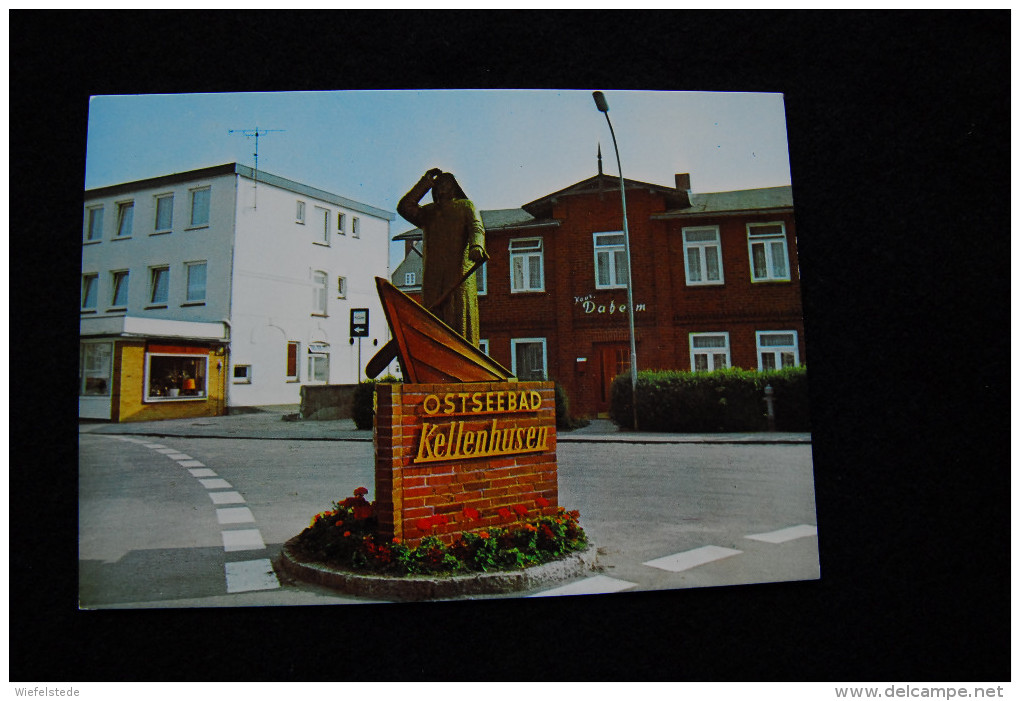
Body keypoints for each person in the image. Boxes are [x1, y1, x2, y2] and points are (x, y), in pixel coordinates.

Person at [397, 168, 487, 346]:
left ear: (454, 187)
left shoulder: (465, 206)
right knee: (433, 317)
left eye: (445, 182)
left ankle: (462, 355)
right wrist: (426, 181)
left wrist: (476, 246)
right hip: (433, 275)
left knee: (458, 315)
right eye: (438, 184)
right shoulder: (428, 213)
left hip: (458, 273)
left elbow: (477, 228)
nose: (440, 187)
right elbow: (405, 207)